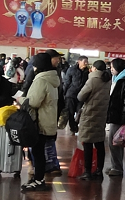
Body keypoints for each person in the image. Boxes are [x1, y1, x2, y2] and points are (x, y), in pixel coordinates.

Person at [21, 54, 61, 192]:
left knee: (38, 153)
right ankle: (39, 179)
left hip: (40, 122)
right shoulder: (52, 78)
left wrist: (21, 100)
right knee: (39, 152)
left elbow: (33, 102)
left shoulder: (41, 80)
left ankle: (39, 180)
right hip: (48, 120)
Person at [76, 60, 111, 181]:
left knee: (87, 143)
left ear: (94, 68)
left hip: (90, 115)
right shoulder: (108, 80)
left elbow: (80, 96)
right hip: (101, 115)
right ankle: (99, 170)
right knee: (100, 143)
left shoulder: (92, 80)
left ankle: (87, 172)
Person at [62, 56, 90, 133]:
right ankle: (73, 127)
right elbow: (67, 82)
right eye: (85, 61)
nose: (86, 63)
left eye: (87, 62)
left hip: (82, 95)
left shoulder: (87, 71)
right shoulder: (71, 70)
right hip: (71, 94)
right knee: (70, 112)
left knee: (79, 111)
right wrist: (64, 93)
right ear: (79, 61)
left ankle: (75, 124)